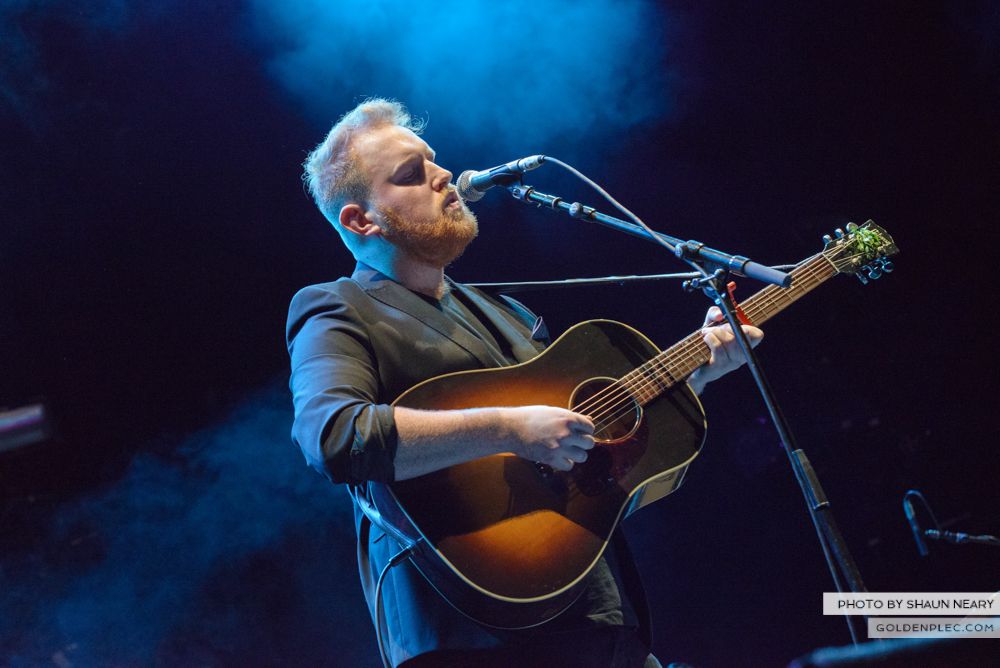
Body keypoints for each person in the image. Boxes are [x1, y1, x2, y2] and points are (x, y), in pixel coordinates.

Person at [286, 98, 763, 667]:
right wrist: (509, 426)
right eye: (412, 174)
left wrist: (701, 371)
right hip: (470, 632)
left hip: (596, 614)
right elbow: (336, 436)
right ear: (362, 220)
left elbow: (589, 451)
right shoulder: (337, 306)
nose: (443, 176)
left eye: (434, 161)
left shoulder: (507, 313)